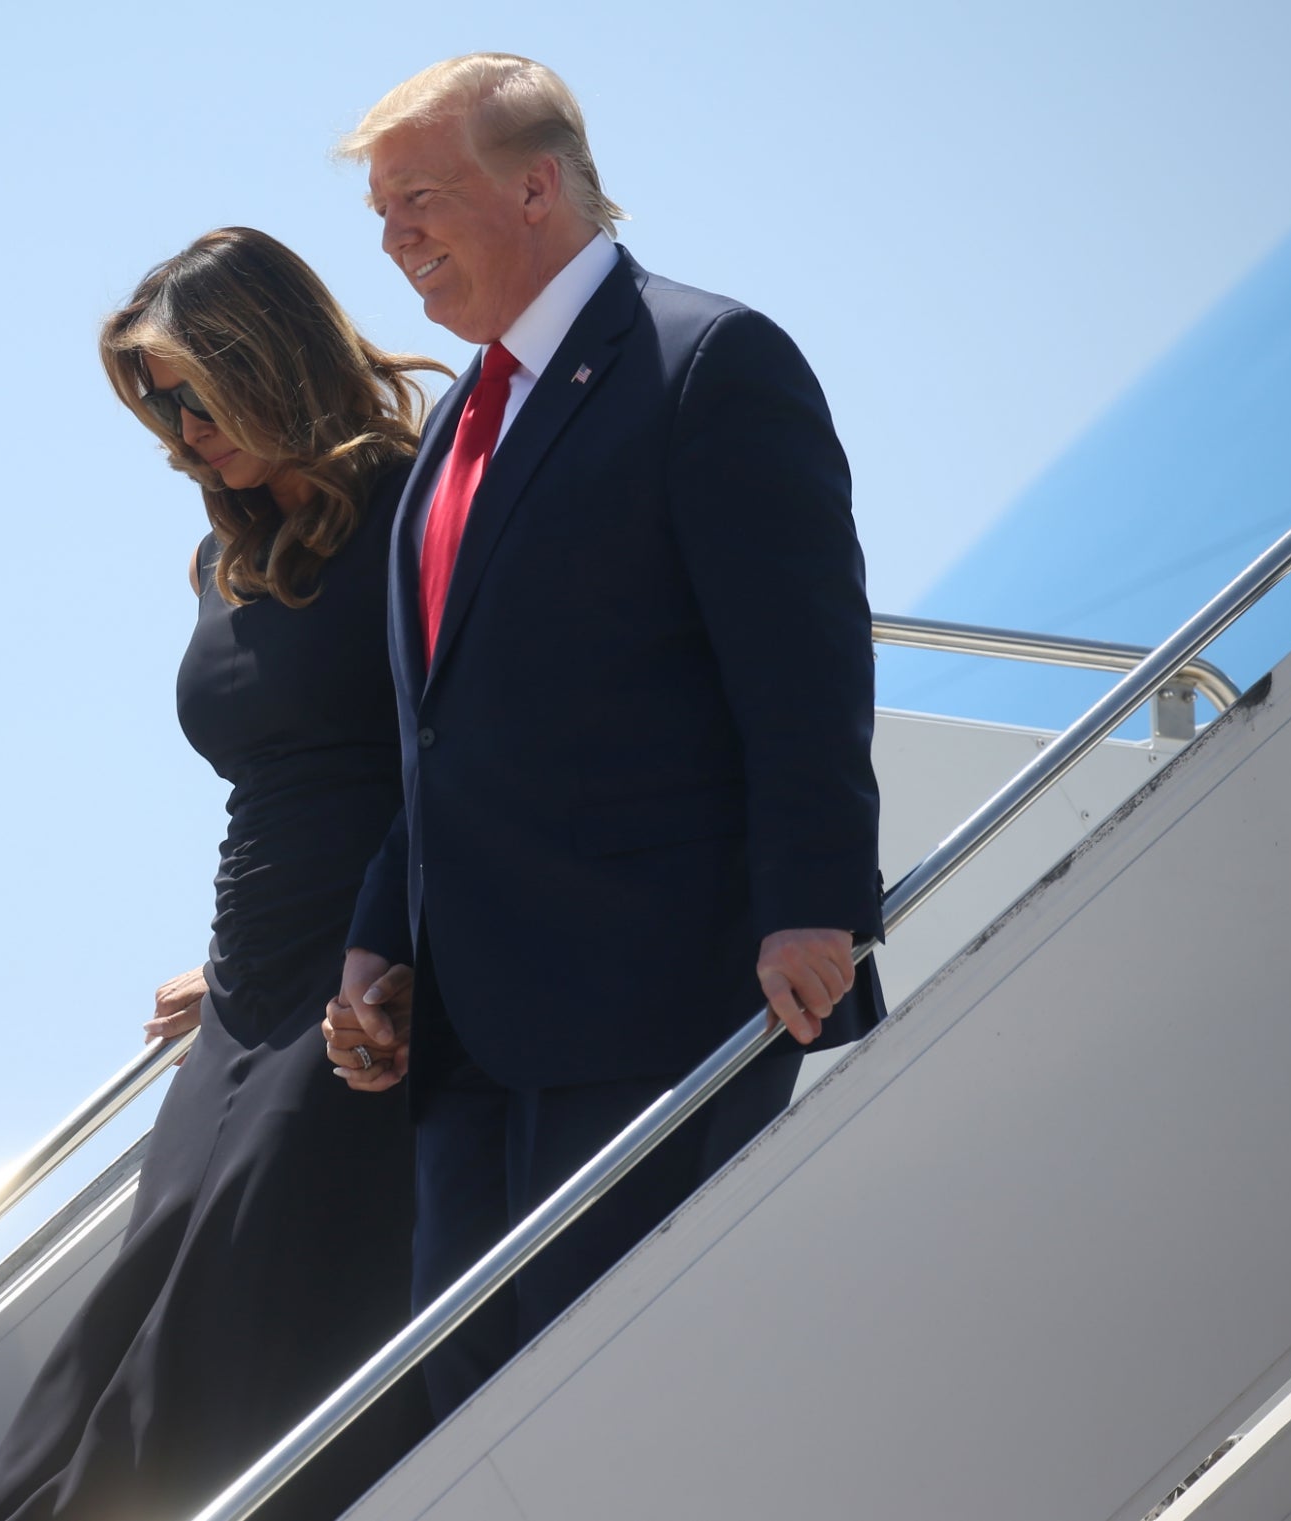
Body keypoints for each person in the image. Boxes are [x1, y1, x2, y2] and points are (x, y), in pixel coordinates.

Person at [318, 54, 887, 1418]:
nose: (394, 239)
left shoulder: (706, 361)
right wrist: (381, 935)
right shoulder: (455, 428)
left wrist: (816, 902)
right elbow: (444, 734)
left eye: (421, 200)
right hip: (469, 1042)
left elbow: (805, 658)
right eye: (381, 212)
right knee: (474, 1431)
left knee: (626, 1410)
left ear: (534, 185)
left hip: (655, 1003)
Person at [0, 227, 447, 1521]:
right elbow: (274, 780)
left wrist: (385, 937)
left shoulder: (419, 497)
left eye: (189, 390)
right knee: (129, 1317)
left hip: (370, 961)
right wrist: (221, 955)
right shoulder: (225, 554)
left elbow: (451, 751)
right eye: (152, 405)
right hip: (245, 984)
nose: (176, 429)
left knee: (226, 1328)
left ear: (263, 356)